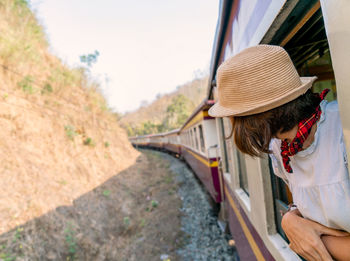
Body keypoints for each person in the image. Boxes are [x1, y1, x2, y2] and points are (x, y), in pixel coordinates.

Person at [208, 45, 350, 261]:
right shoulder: (280, 149)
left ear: (252, 120)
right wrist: (290, 219)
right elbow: (304, 207)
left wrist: (311, 239)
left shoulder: (342, 130)